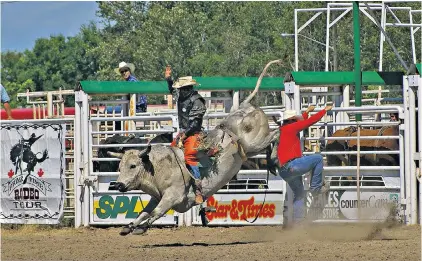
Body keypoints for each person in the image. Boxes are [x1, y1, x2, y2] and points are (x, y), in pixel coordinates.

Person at [276, 105, 332, 222]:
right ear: (291, 120)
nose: (297, 120)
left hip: (283, 170)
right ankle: (315, 189)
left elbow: (302, 121)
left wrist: (307, 111)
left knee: (299, 194)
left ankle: (298, 225)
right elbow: (309, 122)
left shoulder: (284, 129)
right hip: (292, 165)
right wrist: (324, 111)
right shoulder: (291, 128)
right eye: (295, 118)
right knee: (318, 158)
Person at [165, 65, 206, 204]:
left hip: (193, 133)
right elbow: (171, 90)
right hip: (183, 132)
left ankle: (198, 191)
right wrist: (168, 79)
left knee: (189, 156)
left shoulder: (197, 101)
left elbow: (195, 124)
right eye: (179, 88)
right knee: (170, 153)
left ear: (188, 89)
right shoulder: (182, 96)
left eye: (181, 88)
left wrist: (183, 136)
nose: (179, 91)